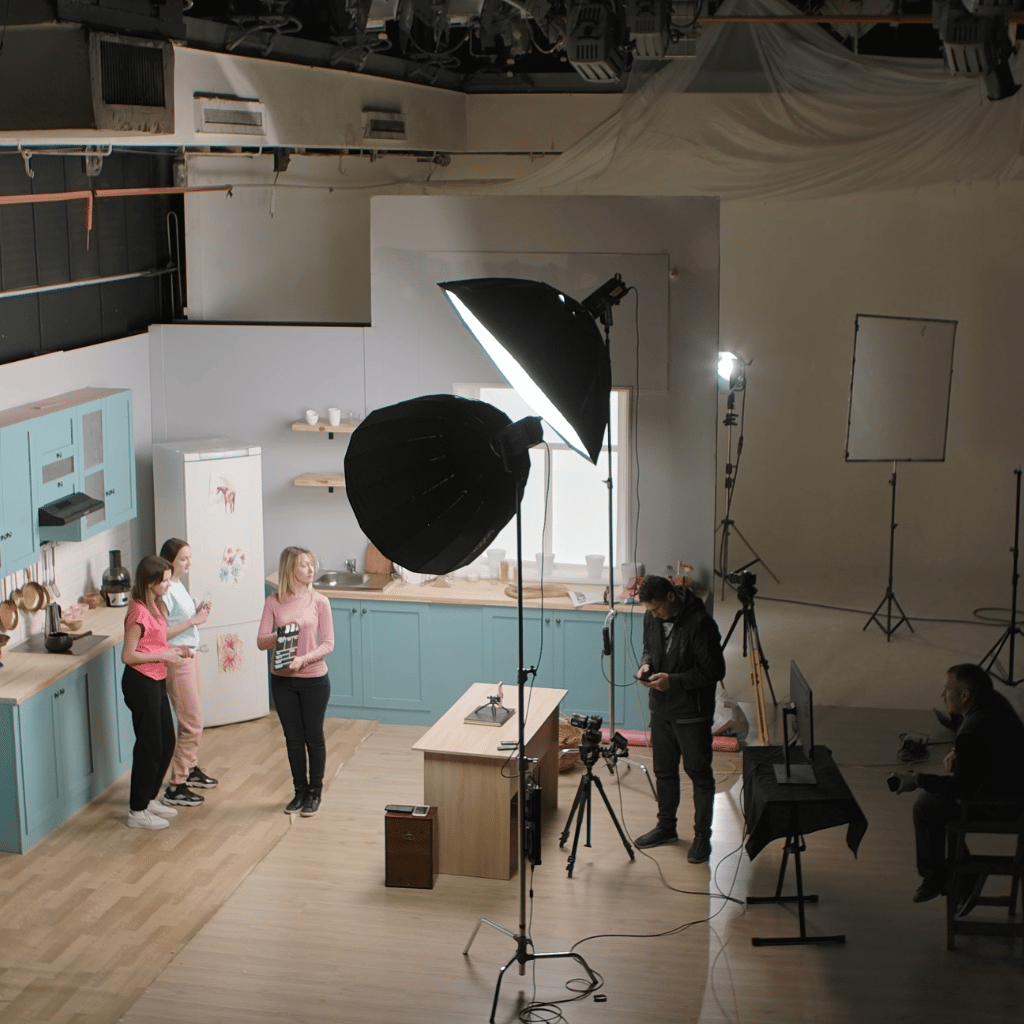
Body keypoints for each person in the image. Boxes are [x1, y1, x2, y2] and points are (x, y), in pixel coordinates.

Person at [891, 663, 1024, 906]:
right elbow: (982, 742)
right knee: (933, 803)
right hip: (1014, 787)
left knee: (926, 806)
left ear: (965, 695)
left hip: (1003, 803)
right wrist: (958, 751)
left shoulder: (972, 730)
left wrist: (917, 779)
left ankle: (937, 878)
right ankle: (963, 877)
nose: (943, 696)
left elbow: (961, 788)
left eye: (947, 690)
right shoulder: (993, 701)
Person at [634, 574, 726, 864]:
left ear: (671, 597)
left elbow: (714, 671)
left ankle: (702, 837)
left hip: (692, 714)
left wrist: (673, 681)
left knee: (699, 775)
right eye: (650, 610)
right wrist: (646, 664)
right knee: (664, 771)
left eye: (657, 609)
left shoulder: (702, 625)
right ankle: (666, 828)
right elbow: (649, 646)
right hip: (661, 709)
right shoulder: (651, 617)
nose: (654, 615)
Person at [257, 547, 334, 817]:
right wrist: (281, 633)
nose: (310, 570)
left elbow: (328, 643)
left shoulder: (320, 601)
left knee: (313, 737)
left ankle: (315, 792)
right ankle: (299, 791)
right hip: (282, 681)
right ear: (291, 570)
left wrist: (304, 660)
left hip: (314, 680)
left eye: (311, 564)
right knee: (293, 739)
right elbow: (260, 641)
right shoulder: (273, 602)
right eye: (304, 565)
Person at [121, 555, 193, 830]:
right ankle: (136, 811)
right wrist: (164, 654)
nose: (168, 584)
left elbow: (155, 643)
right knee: (149, 746)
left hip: (156, 678)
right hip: (140, 683)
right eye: (163, 581)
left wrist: (175, 651)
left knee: (167, 742)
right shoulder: (137, 612)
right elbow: (128, 655)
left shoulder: (156, 604)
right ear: (150, 582)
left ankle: (149, 799)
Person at [158, 538, 217, 807]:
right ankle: (176, 785)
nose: (189, 563)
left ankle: (190, 768)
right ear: (170, 561)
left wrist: (197, 611)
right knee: (192, 723)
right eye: (184, 559)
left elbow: (180, 620)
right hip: (177, 659)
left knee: (192, 716)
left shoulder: (178, 583)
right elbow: (161, 634)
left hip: (191, 654)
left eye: (189, 558)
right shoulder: (163, 590)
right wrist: (195, 620)